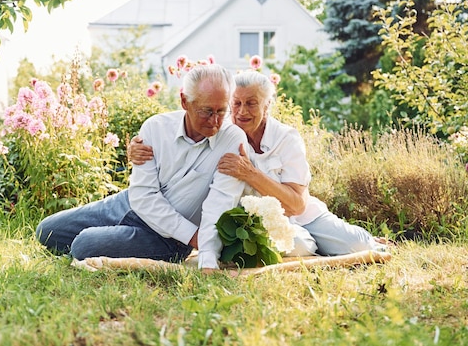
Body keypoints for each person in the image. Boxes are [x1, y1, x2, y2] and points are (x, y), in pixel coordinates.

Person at [129, 70, 387, 257]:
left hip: (302, 215)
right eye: (236, 104)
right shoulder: (221, 131)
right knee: (299, 246)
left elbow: (297, 205)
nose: (242, 112)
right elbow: (185, 126)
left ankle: (357, 239)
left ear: (267, 105)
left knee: (359, 248)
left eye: (251, 103)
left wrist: (251, 174)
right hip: (258, 220)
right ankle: (317, 247)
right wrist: (137, 147)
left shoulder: (286, 138)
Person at [36, 64, 248, 270]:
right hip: (129, 204)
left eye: (222, 111)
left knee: (84, 245)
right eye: (206, 111)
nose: (215, 121)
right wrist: (197, 239)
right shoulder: (155, 127)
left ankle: (114, 239)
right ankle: (117, 234)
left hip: (171, 238)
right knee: (46, 231)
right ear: (184, 101)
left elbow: (220, 201)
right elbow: (143, 196)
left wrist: (205, 249)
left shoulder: (232, 139)